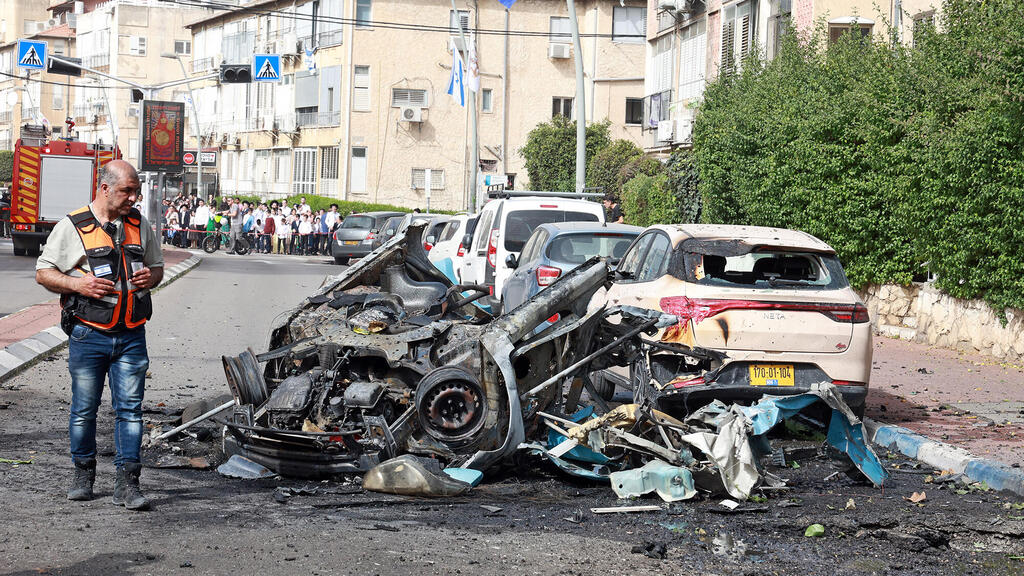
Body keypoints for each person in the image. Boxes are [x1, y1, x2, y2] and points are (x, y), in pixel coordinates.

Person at [34, 160, 163, 511]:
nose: (134, 198)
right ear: (105, 188)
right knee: (84, 410)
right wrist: (78, 283)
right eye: (127, 191)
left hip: (132, 334)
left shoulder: (139, 224)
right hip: (89, 334)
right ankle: (83, 475)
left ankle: (128, 484)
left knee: (131, 411)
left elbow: (158, 268)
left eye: (136, 191)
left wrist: (150, 278)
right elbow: (44, 273)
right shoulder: (73, 226)